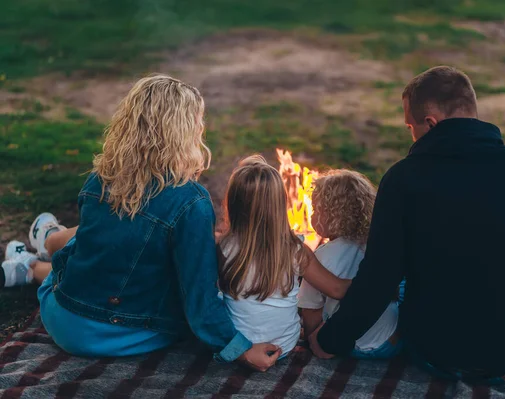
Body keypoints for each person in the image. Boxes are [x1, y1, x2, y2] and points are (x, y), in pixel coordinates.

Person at [309, 66, 505, 384]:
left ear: (430, 123)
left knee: (408, 274)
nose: (412, 135)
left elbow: (378, 280)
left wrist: (329, 341)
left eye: (411, 127)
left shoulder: (401, 179)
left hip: (433, 357)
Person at [1, 75, 280, 371]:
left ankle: (39, 250)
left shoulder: (100, 179)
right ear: (183, 131)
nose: (202, 128)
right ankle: (34, 259)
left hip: (62, 316)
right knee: (181, 270)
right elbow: (200, 299)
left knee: (86, 241)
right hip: (121, 335)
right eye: (198, 121)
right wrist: (242, 350)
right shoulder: (192, 202)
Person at [218, 156, 350, 357]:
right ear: (280, 205)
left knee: (221, 296)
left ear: (233, 204)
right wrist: (383, 284)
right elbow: (337, 289)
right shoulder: (295, 249)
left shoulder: (222, 247)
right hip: (284, 346)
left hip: (240, 346)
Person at [298, 170, 403, 359]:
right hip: (392, 340)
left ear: (332, 215)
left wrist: (311, 338)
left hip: (359, 347)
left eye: (315, 209)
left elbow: (311, 310)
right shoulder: (376, 247)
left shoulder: (320, 257)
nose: (311, 215)